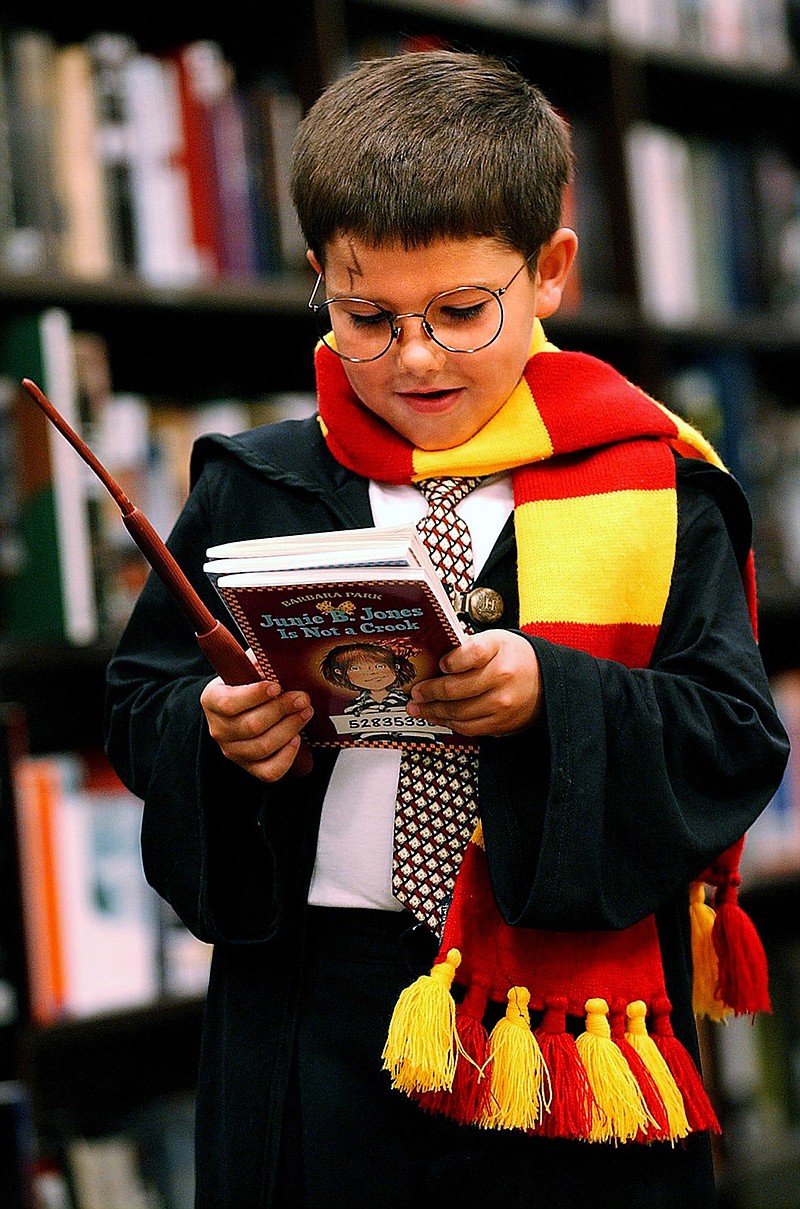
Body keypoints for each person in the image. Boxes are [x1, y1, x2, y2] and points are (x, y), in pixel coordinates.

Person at [104, 49, 789, 1209]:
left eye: (460, 311)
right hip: (315, 994)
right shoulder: (255, 482)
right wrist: (219, 726)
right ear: (317, 279)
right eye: (365, 316)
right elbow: (140, 698)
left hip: (567, 1024)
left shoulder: (658, 485)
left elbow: (729, 735)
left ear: (550, 272)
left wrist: (552, 695)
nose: (412, 356)